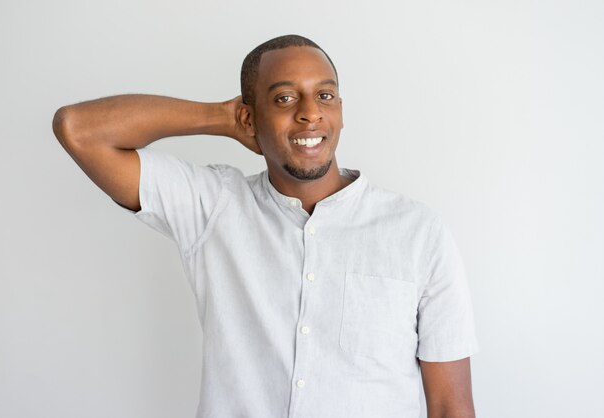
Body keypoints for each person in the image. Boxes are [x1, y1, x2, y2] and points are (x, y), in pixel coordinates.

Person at [52, 34, 478, 418]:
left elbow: (450, 406)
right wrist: (222, 118)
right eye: (284, 99)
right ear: (250, 118)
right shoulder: (212, 205)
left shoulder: (417, 231)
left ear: (342, 112)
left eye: (325, 96)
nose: (310, 114)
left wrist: (267, 110)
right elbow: (79, 129)